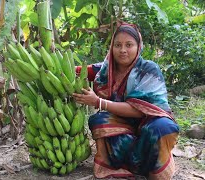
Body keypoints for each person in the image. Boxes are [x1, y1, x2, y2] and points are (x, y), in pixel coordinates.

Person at [73, 22, 179, 179]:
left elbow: (139, 110)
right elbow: (78, 70)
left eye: (129, 45)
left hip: (149, 124)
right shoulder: (106, 69)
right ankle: (127, 165)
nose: (123, 50)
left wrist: (98, 102)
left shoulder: (149, 70)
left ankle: (154, 168)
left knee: (164, 127)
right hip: (121, 125)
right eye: (118, 45)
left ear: (138, 46)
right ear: (112, 47)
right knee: (99, 120)